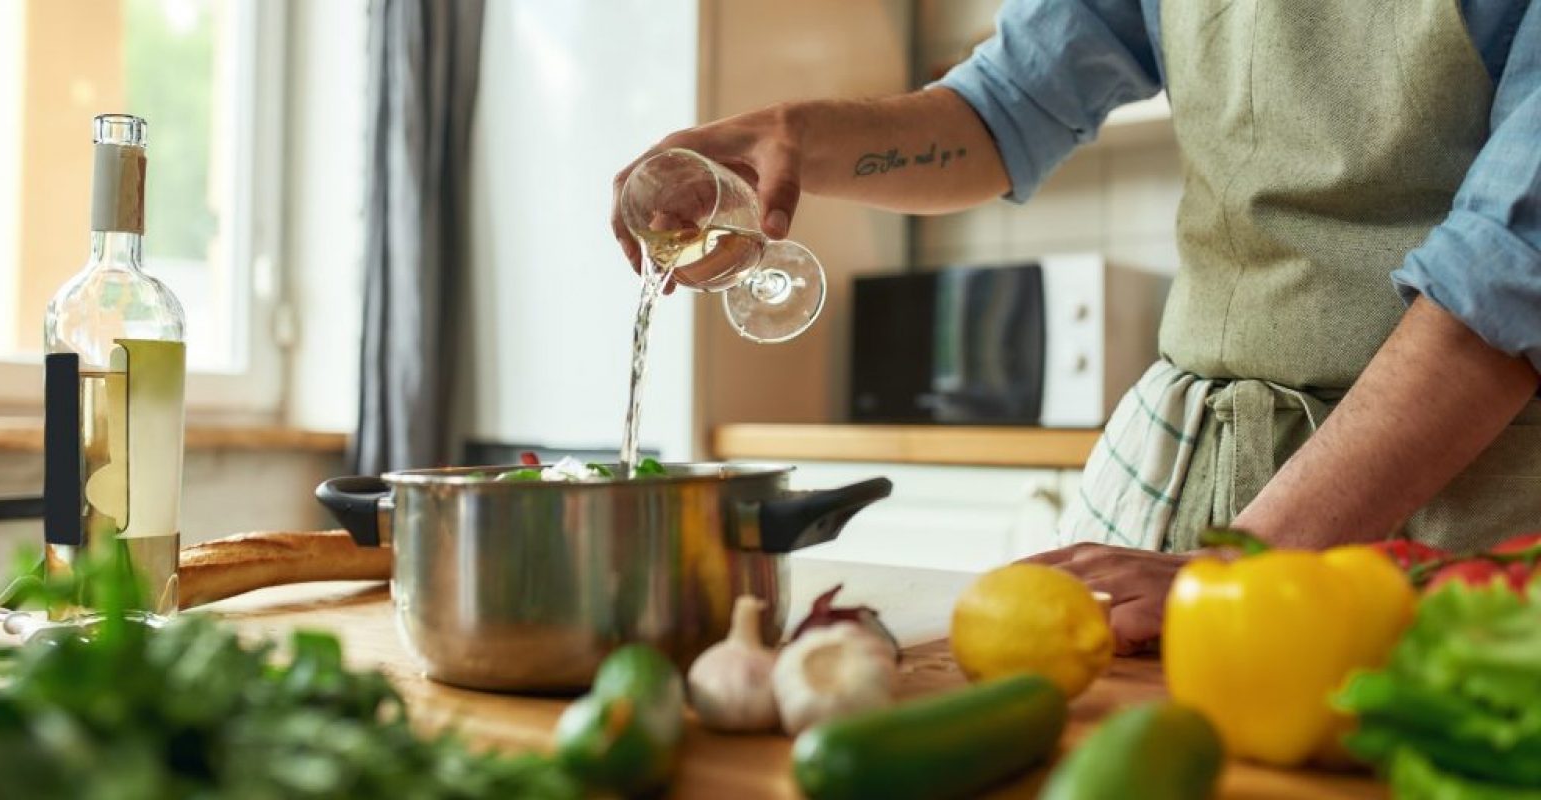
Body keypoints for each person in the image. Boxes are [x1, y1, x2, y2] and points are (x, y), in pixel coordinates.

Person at [613, 0, 1541, 653]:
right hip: (1197, 484)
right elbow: (1005, 105)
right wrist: (793, 136)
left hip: (1453, 501)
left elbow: (1505, 278)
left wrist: (1239, 569)